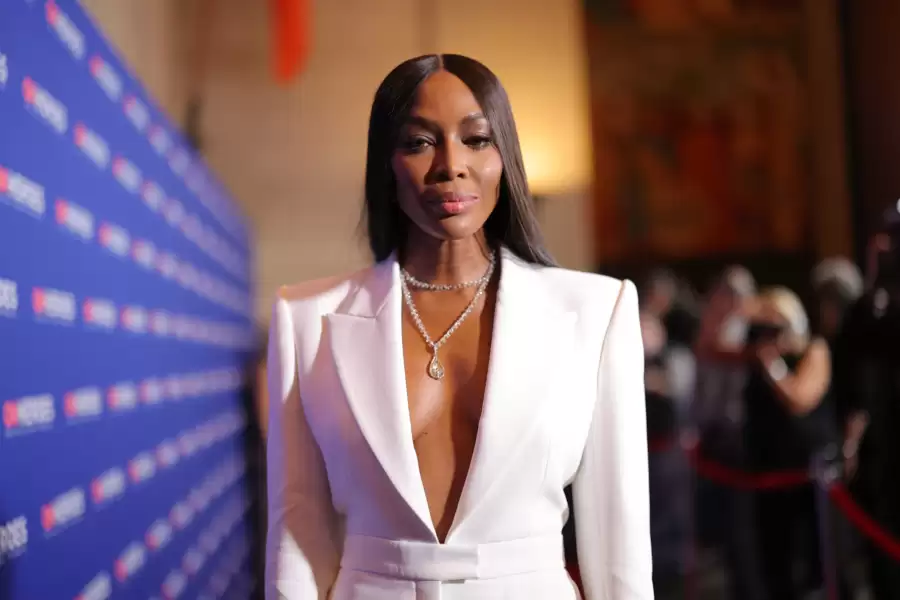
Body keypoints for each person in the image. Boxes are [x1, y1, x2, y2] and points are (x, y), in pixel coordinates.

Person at [264, 54, 652, 599]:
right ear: (386, 163)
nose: (451, 165)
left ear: (504, 156)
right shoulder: (305, 318)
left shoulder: (597, 310)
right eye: (419, 142)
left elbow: (619, 542)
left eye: (476, 139)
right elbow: (298, 529)